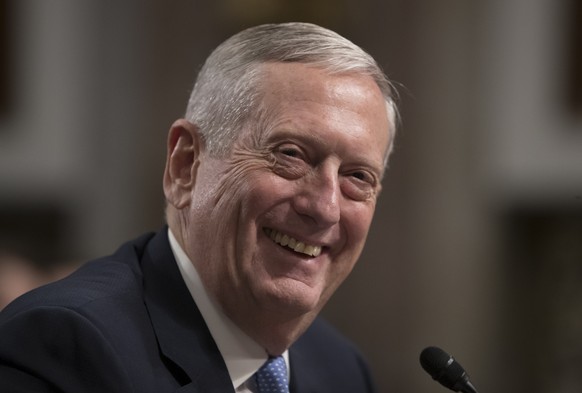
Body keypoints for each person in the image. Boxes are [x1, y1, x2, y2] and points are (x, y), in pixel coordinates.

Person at [0, 22, 397, 392]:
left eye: (358, 177)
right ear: (186, 164)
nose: (326, 208)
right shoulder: (65, 347)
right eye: (291, 154)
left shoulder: (342, 369)